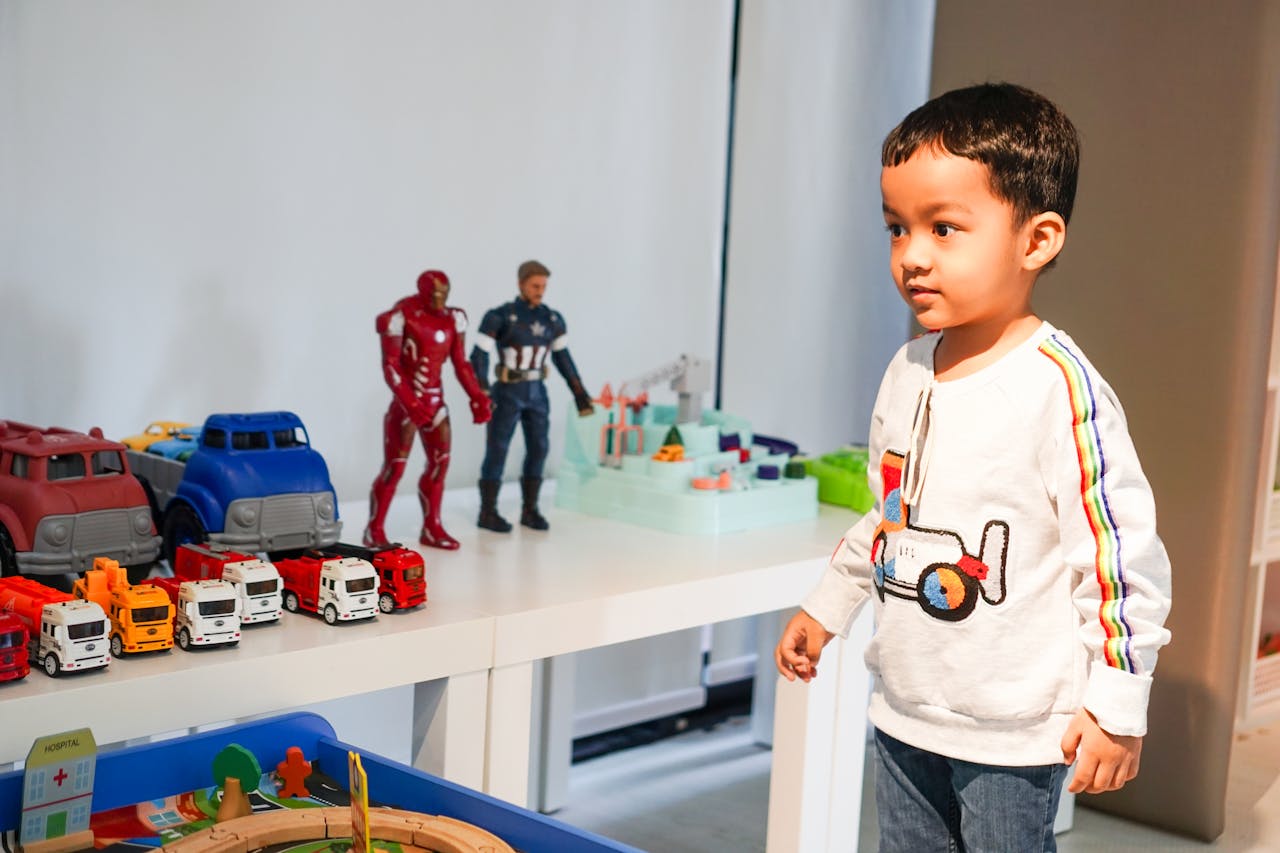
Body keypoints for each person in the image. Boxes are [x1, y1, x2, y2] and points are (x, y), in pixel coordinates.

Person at [774, 83, 1172, 852]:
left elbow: (1119, 558)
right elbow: (890, 513)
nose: (912, 255)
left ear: (1037, 239)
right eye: (897, 228)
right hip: (906, 707)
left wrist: (1118, 702)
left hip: (1015, 730)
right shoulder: (908, 369)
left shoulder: (1060, 389)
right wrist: (829, 604)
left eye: (944, 228)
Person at [365, 269, 492, 551]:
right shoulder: (400, 316)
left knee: (440, 465)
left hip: (436, 401)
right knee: (394, 469)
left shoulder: (453, 318)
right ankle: (375, 530)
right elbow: (391, 366)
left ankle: (432, 526)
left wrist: (477, 396)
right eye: (434, 293)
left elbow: (460, 363)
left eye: (443, 294)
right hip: (407, 404)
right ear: (422, 292)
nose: (439, 298)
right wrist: (410, 402)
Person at [469, 260, 594, 532]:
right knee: (498, 449)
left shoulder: (551, 319)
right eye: (535, 285)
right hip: (508, 392)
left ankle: (530, 509)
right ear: (521, 283)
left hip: (537, 392)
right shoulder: (500, 316)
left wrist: (579, 392)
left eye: (544, 286)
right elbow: (479, 355)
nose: (540, 291)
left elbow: (563, 358)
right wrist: (482, 391)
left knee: (539, 448)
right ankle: (487, 512)